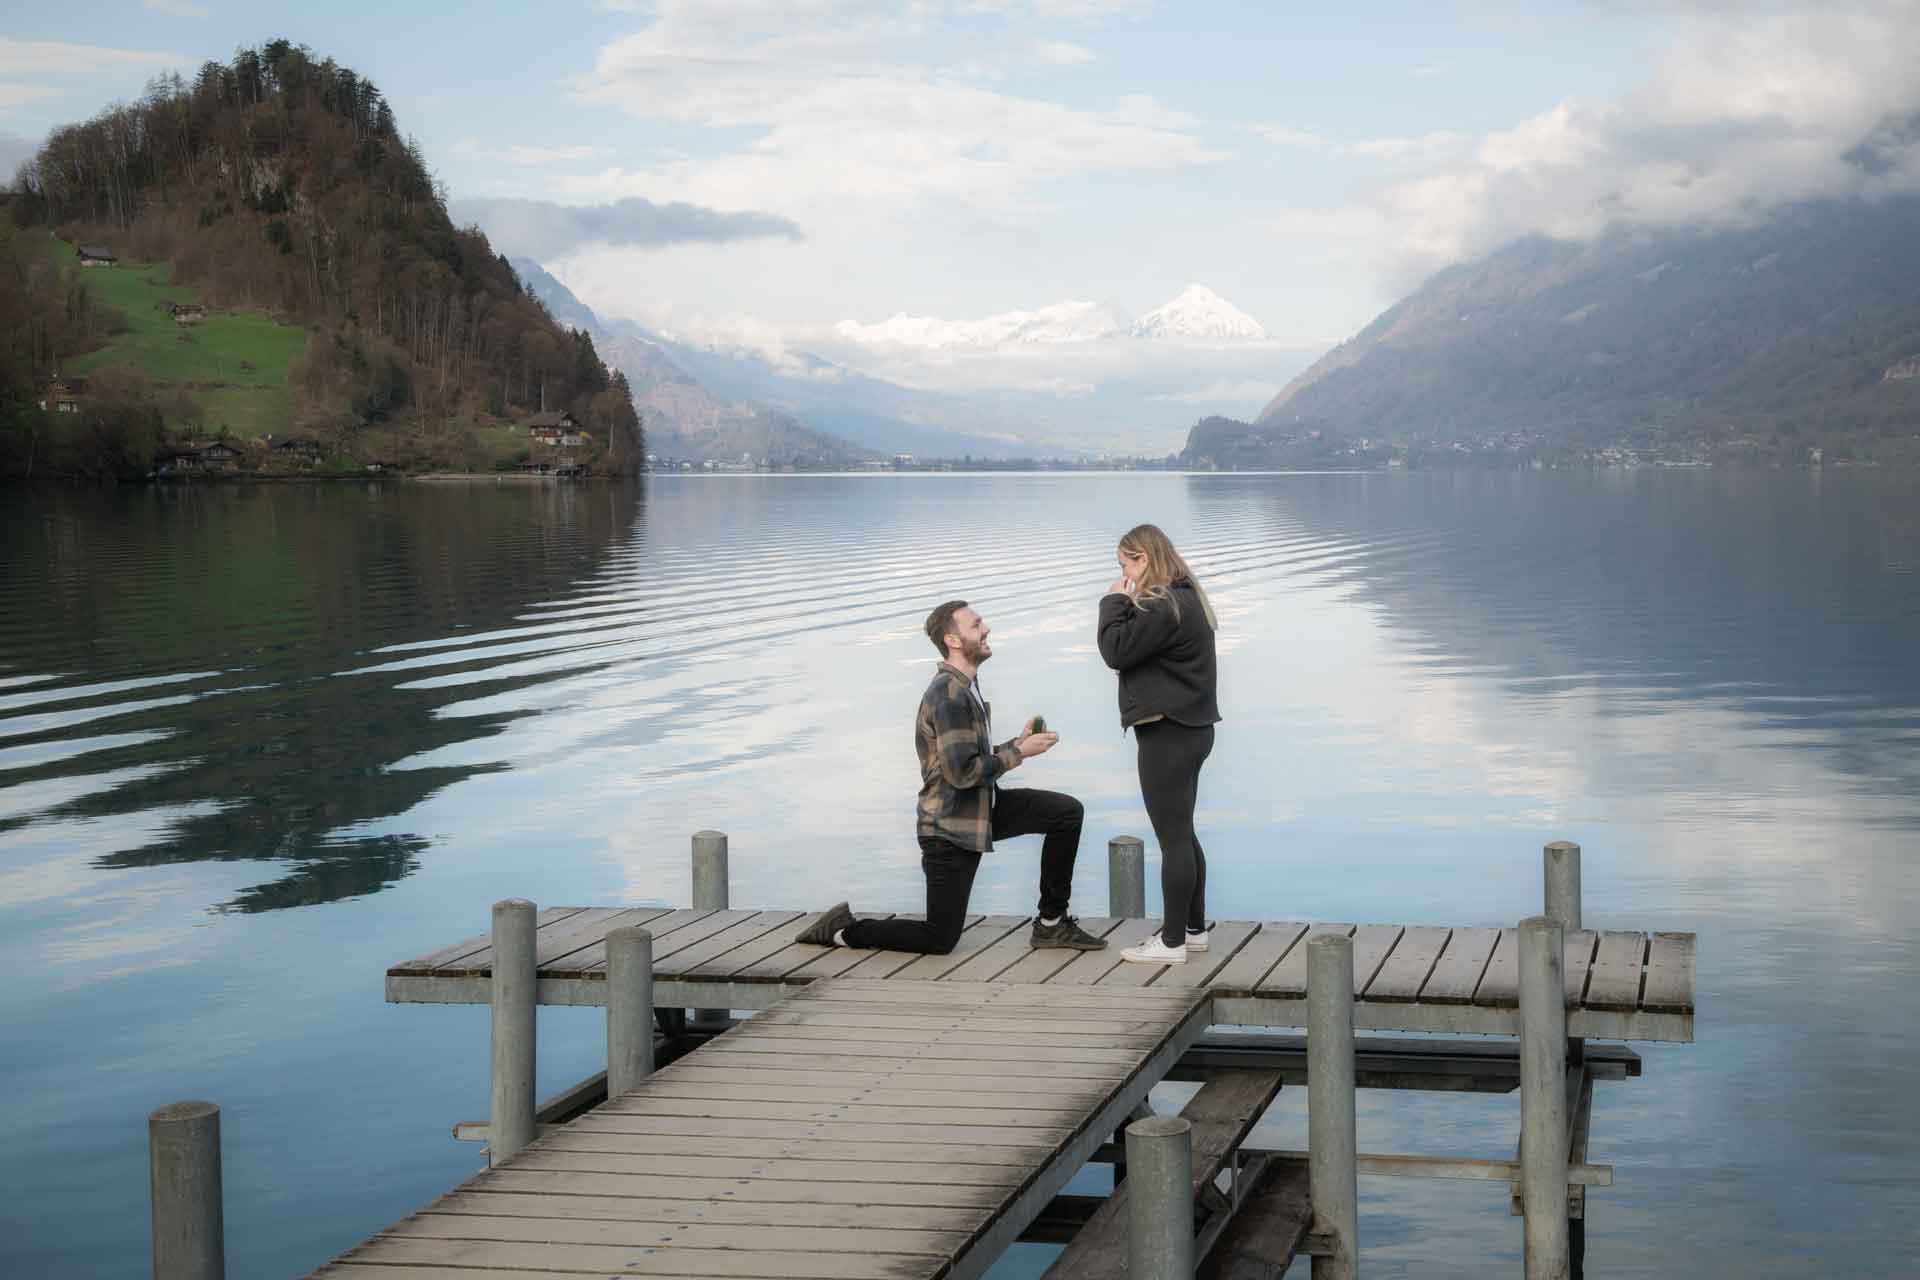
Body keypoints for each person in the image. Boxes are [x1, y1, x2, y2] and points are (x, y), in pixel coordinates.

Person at [796, 599, 1108, 955]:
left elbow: (968, 759)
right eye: (976, 625)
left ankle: (1051, 923)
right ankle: (845, 931)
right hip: (949, 826)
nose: (986, 629)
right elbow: (962, 773)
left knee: (1066, 813)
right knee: (940, 938)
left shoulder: (965, 687)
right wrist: (1020, 754)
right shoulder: (948, 695)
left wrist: (1017, 743)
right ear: (953, 640)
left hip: (982, 809)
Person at [1098, 523, 1221, 965]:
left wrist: (1113, 599)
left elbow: (1114, 649)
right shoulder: (1185, 597)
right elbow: (1138, 649)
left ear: (1143, 559)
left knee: (1172, 839)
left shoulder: (1162, 603)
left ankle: (1171, 943)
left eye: (1125, 564)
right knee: (1183, 832)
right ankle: (1192, 930)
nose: (1124, 573)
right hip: (1193, 728)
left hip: (1168, 731)